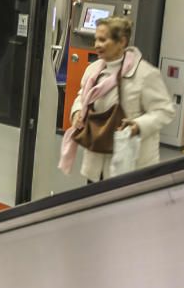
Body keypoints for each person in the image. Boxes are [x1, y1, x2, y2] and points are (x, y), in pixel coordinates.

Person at [60, 16, 175, 182]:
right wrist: (77, 112)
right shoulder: (93, 71)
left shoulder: (145, 74)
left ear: (122, 42)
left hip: (131, 164)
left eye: (102, 40)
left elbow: (165, 111)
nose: (96, 45)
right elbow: (81, 97)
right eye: (96, 39)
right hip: (97, 159)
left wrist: (138, 125)